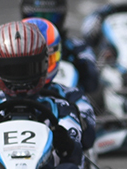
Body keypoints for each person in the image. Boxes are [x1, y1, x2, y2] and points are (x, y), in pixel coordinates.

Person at [0, 21, 87, 169]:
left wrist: (65, 143)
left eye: (28, 68)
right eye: (12, 70)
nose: (20, 77)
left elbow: (75, 154)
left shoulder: (60, 107)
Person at [23, 17, 98, 150]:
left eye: (45, 59)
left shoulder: (73, 96)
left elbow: (88, 138)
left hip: (60, 165)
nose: (38, 67)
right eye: (30, 60)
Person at [20, 0, 100, 95]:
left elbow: (93, 82)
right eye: (37, 16)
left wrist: (81, 67)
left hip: (67, 104)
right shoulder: (10, 47)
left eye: (49, 17)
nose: (43, 24)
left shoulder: (78, 48)